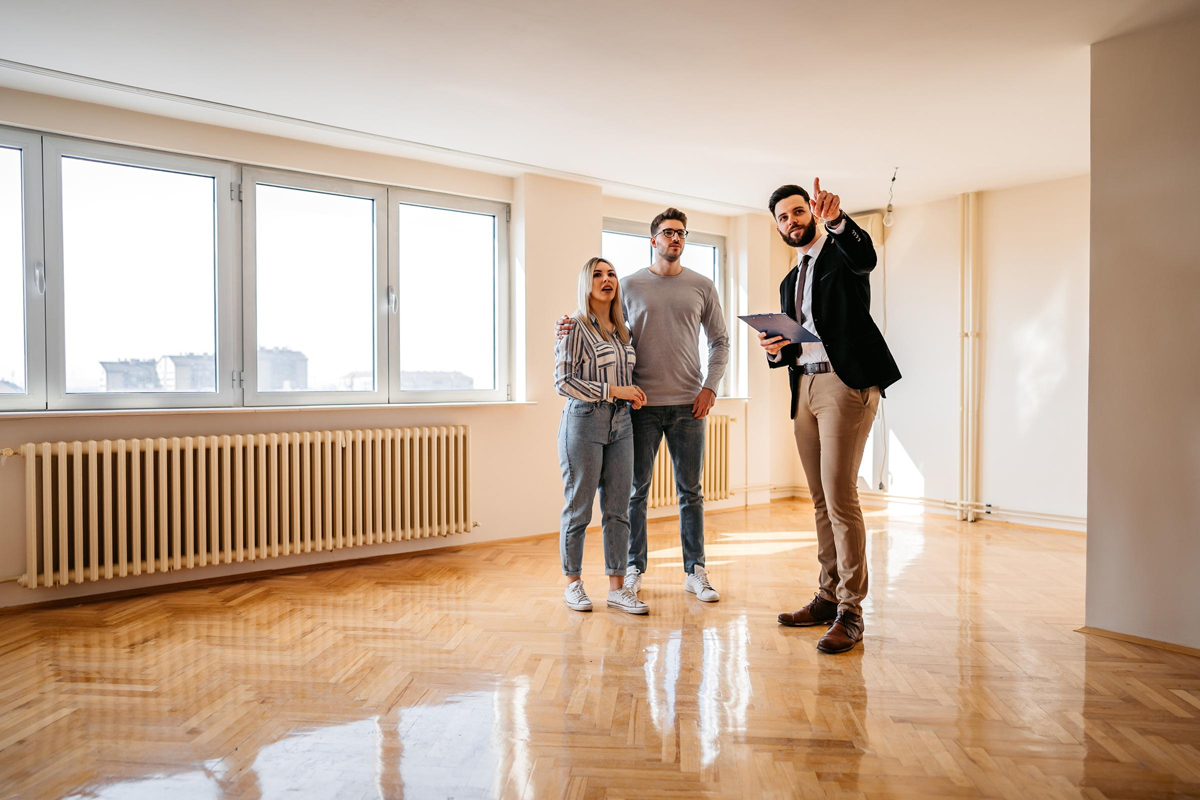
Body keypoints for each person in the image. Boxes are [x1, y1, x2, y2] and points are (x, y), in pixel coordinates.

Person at [559, 208, 729, 608]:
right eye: (668, 233)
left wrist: (710, 387)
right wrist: (566, 327)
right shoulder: (628, 286)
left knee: (691, 492)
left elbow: (720, 341)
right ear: (653, 240)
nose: (676, 238)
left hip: (691, 405)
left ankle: (696, 572)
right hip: (639, 408)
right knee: (633, 494)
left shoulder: (702, 286)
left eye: (682, 233)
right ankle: (631, 571)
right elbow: (603, 331)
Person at [760, 179, 901, 654]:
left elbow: (867, 258)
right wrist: (775, 348)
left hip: (846, 384)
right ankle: (826, 595)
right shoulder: (788, 281)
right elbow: (793, 343)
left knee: (841, 497)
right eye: (783, 217)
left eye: (798, 212)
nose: (792, 221)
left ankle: (851, 611)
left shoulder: (841, 253)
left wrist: (840, 223)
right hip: (805, 385)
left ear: (813, 213)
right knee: (819, 499)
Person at [554, 257, 649, 615]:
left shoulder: (623, 331)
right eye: (597, 274)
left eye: (610, 274)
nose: (606, 279)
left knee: (618, 509)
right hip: (583, 423)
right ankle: (573, 585)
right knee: (578, 509)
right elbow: (564, 382)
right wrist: (616, 391)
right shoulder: (573, 326)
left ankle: (617, 588)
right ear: (586, 283)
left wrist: (631, 395)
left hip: (621, 424)